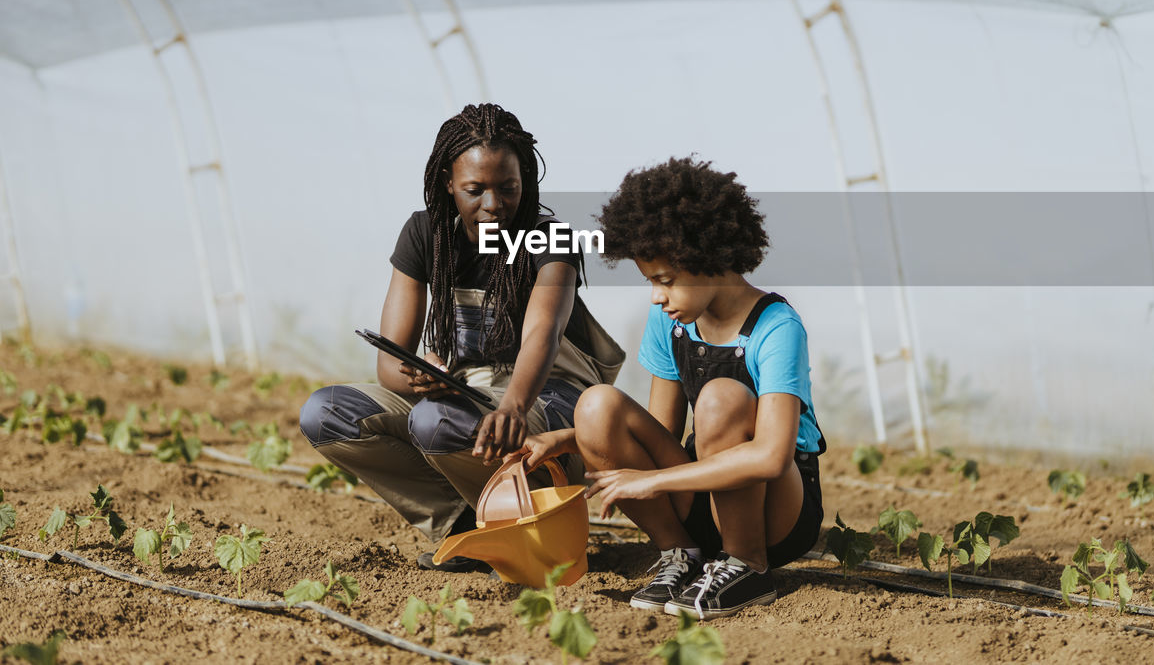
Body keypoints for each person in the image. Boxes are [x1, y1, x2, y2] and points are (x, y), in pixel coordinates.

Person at [300, 103, 623, 571]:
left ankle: (525, 518)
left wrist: (512, 405)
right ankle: (466, 526)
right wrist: (421, 377)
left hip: (549, 404)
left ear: (525, 183)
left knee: (436, 421)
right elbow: (390, 365)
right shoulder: (425, 235)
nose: (493, 204)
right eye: (475, 190)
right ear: (448, 183)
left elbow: (542, 334)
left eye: (508, 188)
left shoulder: (550, 240)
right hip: (465, 395)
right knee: (326, 412)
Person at [515, 156, 825, 619]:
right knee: (596, 405)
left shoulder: (777, 327)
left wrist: (652, 481)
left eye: (665, 280)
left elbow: (771, 456)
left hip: (775, 512)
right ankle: (682, 554)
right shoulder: (671, 321)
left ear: (709, 258)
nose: (657, 296)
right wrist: (565, 440)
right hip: (705, 489)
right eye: (650, 281)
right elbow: (658, 432)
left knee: (721, 398)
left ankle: (747, 565)